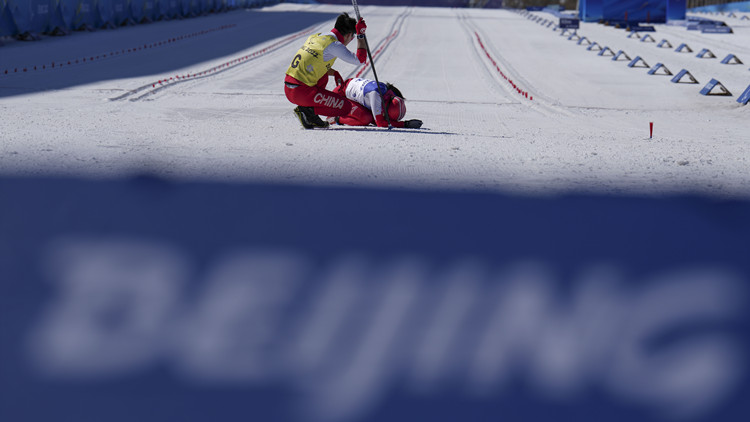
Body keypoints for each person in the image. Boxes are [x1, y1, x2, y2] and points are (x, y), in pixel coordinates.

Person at [284, 13, 368, 129]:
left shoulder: (317, 36)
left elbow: (312, 62)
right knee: (346, 107)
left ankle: (309, 114)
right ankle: (308, 111)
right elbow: (360, 60)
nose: (351, 40)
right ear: (349, 35)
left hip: (289, 88)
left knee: (324, 76)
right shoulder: (334, 44)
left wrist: (333, 72)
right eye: (352, 37)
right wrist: (360, 35)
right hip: (301, 92)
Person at [329, 74, 423, 129]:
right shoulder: (376, 96)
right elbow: (380, 123)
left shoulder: (389, 94)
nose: (385, 118)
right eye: (386, 116)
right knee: (366, 118)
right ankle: (336, 118)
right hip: (339, 96)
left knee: (372, 116)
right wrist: (405, 124)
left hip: (351, 88)